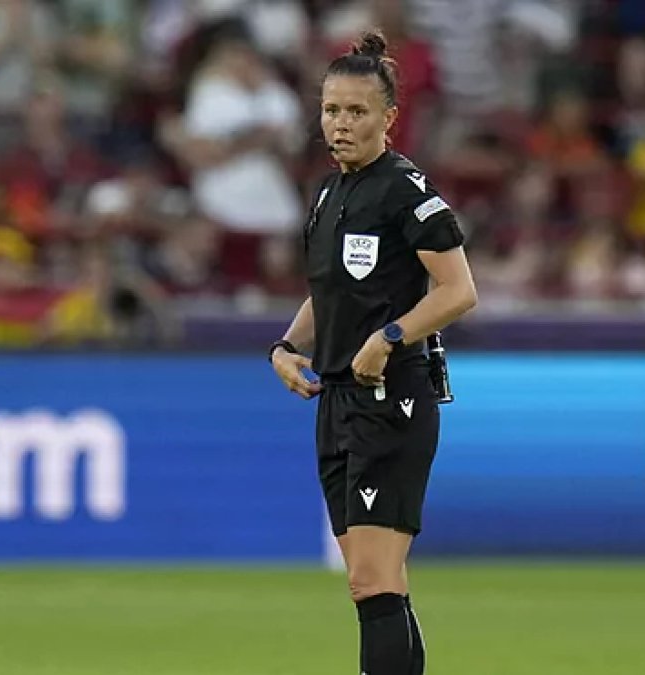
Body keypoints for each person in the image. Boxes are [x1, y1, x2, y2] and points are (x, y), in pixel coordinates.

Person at [268, 30, 477, 675]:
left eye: (356, 111)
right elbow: (327, 295)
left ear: (388, 118)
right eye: (331, 110)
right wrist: (283, 347)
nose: (340, 124)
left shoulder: (405, 191)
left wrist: (389, 338)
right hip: (336, 400)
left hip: (392, 398)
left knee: (373, 578)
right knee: (372, 585)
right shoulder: (329, 195)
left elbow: (459, 290)